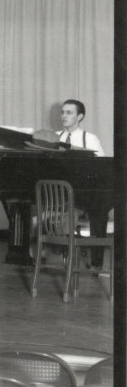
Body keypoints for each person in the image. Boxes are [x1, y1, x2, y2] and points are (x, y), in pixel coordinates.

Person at [56, 98, 109, 270]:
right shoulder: (54, 138)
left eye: (69, 112)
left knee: (98, 208)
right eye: (63, 112)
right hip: (59, 192)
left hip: (85, 194)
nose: (64, 116)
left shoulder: (90, 139)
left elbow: (103, 168)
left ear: (80, 116)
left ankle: (96, 263)